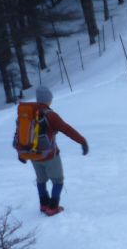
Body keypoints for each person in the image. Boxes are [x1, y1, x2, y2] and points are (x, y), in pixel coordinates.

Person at [16, 86, 88, 216]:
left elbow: (19, 134)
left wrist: (21, 153)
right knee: (58, 180)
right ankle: (53, 207)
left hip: (32, 154)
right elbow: (66, 129)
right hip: (49, 155)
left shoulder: (27, 113)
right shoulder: (50, 115)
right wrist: (82, 141)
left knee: (41, 180)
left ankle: (44, 204)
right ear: (48, 99)